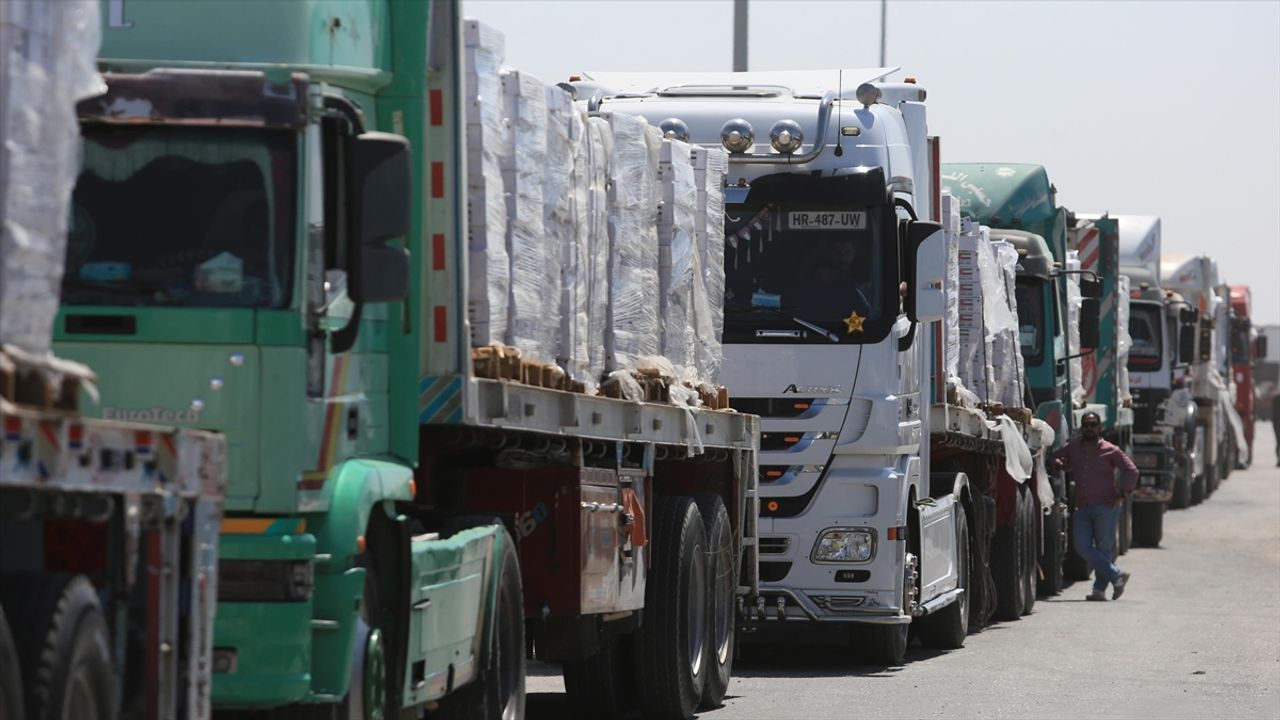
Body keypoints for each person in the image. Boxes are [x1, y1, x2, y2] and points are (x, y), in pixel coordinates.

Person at [1053, 411, 1140, 601]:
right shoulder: (1073, 447)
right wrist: (1060, 463)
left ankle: (1099, 591)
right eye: (1086, 425)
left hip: (1106, 507)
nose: (1089, 428)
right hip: (1082, 506)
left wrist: (1123, 494)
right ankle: (1117, 575)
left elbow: (1132, 471)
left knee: (1103, 549)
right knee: (1081, 546)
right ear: (1081, 427)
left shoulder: (1111, 450)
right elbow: (1054, 457)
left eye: (1093, 425)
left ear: (1099, 428)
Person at [1271, 392, 1280, 466]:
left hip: (1277, 424)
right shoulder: (1276, 399)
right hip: (1277, 424)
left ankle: (1279, 459)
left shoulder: (1276, 399)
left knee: (1278, 443)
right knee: (1278, 443)